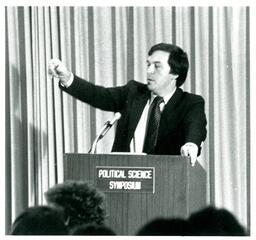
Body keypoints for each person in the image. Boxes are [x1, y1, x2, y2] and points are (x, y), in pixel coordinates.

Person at [48, 43, 207, 166]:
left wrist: (191, 144)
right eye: (148, 64)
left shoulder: (190, 103)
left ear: (175, 73)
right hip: (124, 184)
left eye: (157, 66)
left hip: (165, 187)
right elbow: (97, 95)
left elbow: (195, 127)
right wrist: (67, 77)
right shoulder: (133, 93)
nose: (149, 71)